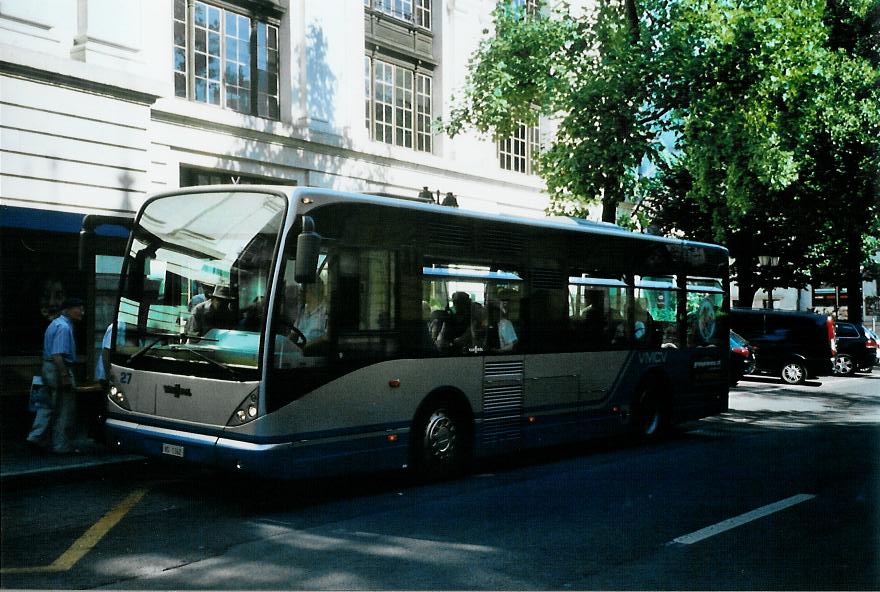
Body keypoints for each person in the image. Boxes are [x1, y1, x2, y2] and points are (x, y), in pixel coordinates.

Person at [27, 297, 85, 454]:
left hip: (50, 368)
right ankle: (61, 445)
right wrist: (65, 376)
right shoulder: (64, 327)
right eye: (78, 308)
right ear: (67, 310)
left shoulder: (56, 324)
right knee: (65, 408)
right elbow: (57, 354)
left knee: (48, 405)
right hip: (59, 368)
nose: (82, 312)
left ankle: (36, 438)